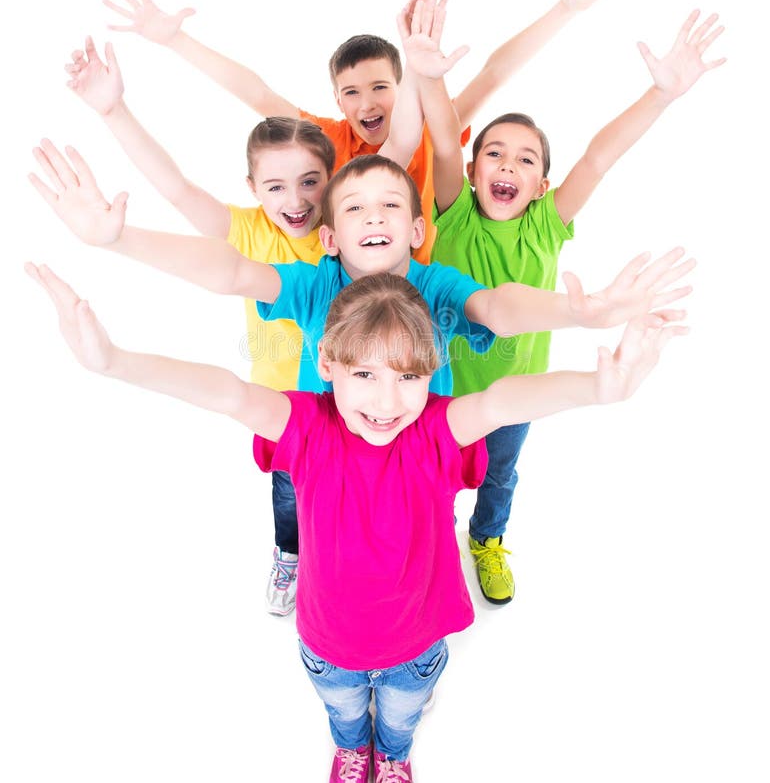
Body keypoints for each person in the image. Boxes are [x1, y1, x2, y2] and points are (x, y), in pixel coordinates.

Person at [25, 264, 688, 783]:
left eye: (407, 376)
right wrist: (111, 360)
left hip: (418, 647)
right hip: (327, 647)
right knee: (344, 716)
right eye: (364, 374)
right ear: (328, 368)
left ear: (431, 376)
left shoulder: (436, 430)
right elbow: (225, 390)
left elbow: (503, 399)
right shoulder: (307, 429)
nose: (385, 399)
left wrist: (599, 388)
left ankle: (394, 755)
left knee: (399, 718)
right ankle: (351, 751)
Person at [59, 33, 414, 616]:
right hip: (284, 401)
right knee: (289, 496)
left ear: (334, 179)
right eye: (275, 186)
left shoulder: (352, 226)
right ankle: (291, 554)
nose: (294, 200)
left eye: (310, 183)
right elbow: (177, 188)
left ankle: (369, 564)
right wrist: (114, 111)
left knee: (366, 493)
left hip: (369, 393)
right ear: (254, 190)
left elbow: (398, 152)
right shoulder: (249, 232)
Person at [398, 0, 725, 604]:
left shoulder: (548, 222)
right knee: (433, 481)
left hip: (517, 391)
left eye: (524, 160)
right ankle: (434, 538)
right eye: (493, 153)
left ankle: (487, 540)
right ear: (472, 175)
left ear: (541, 184)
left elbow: (601, 156)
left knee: (499, 477)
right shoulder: (454, 212)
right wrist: (428, 76)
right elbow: (444, 141)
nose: (506, 164)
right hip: (439, 391)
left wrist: (660, 94)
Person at [26, 143, 695, 403]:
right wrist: (117, 241)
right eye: (354, 208)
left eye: (389, 206)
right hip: (324, 431)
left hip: (422, 436)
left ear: (417, 230)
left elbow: (499, 307)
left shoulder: (438, 289)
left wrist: (577, 312)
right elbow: (231, 272)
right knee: (301, 513)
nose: (373, 216)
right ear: (329, 236)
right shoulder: (315, 283)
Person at [101, 0, 628, 261]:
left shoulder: (426, 129)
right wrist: (174, 41)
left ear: (402, 89)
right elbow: (257, 93)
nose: (367, 102)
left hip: (425, 283)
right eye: (351, 93)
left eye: (380, 87)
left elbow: (493, 74)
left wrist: (566, 9)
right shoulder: (326, 142)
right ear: (337, 100)